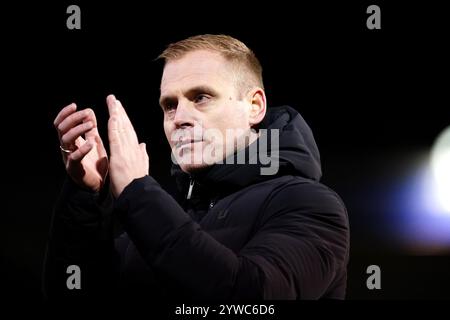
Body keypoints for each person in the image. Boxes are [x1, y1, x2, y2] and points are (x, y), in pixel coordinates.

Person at [44, 34, 349, 301]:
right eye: (169, 105)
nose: (179, 118)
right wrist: (88, 196)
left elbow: (250, 298)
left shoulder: (310, 205)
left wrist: (138, 192)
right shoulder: (163, 216)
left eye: (201, 97)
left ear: (254, 106)